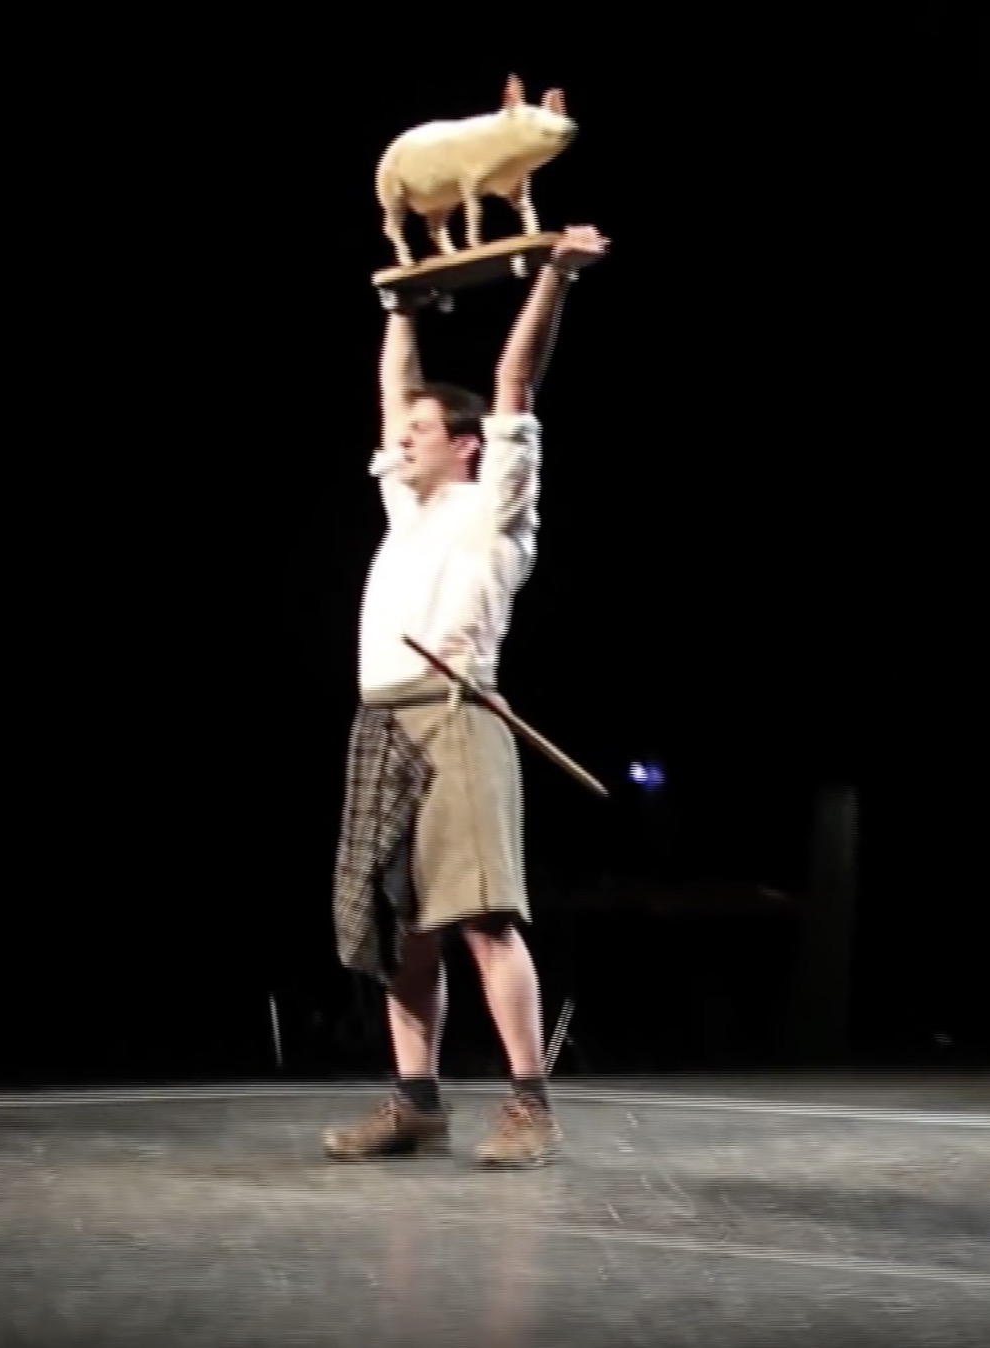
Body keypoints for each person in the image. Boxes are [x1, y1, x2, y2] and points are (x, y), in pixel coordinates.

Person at [324, 224, 609, 1168]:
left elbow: (514, 380)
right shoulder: (408, 508)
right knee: (403, 931)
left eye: (419, 433)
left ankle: (530, 1106)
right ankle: (417, 1103)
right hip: (383, 721)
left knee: (484, 920)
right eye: (401, 433)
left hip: (456, 720)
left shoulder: (498, 509)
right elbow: (391, 394)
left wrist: (554, 278)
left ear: (463, 445)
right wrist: (401, 313)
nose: (399, 440)